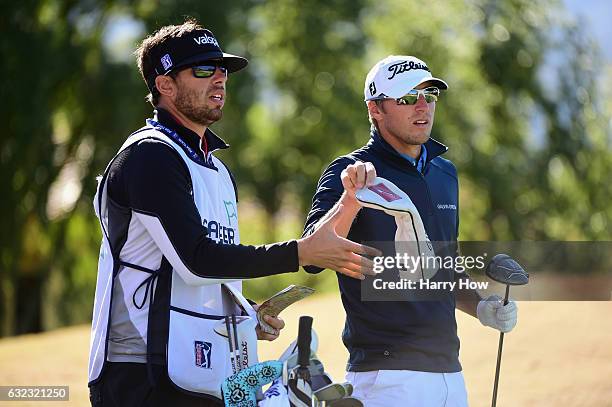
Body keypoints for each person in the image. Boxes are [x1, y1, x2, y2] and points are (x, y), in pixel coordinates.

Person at [87, 19, 378, 407]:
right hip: (139, 373)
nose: (220, 79)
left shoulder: (218, 169)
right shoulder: (149, 155)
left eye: (223, 69)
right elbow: (196, 260)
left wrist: (246, 312)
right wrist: (301, 252)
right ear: (165, 84)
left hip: (198, 369)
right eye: (204, 69)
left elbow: (210, 269)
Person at [302, 55, 519, 406]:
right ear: (375, 109)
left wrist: (481, 307)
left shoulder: (445, 173)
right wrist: (350, 200)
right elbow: (312, 256)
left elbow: (443, 264)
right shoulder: (350, 170)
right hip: (387, 378)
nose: (422, 107)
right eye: (406, 98)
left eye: (429, 95)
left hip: (450, 372)